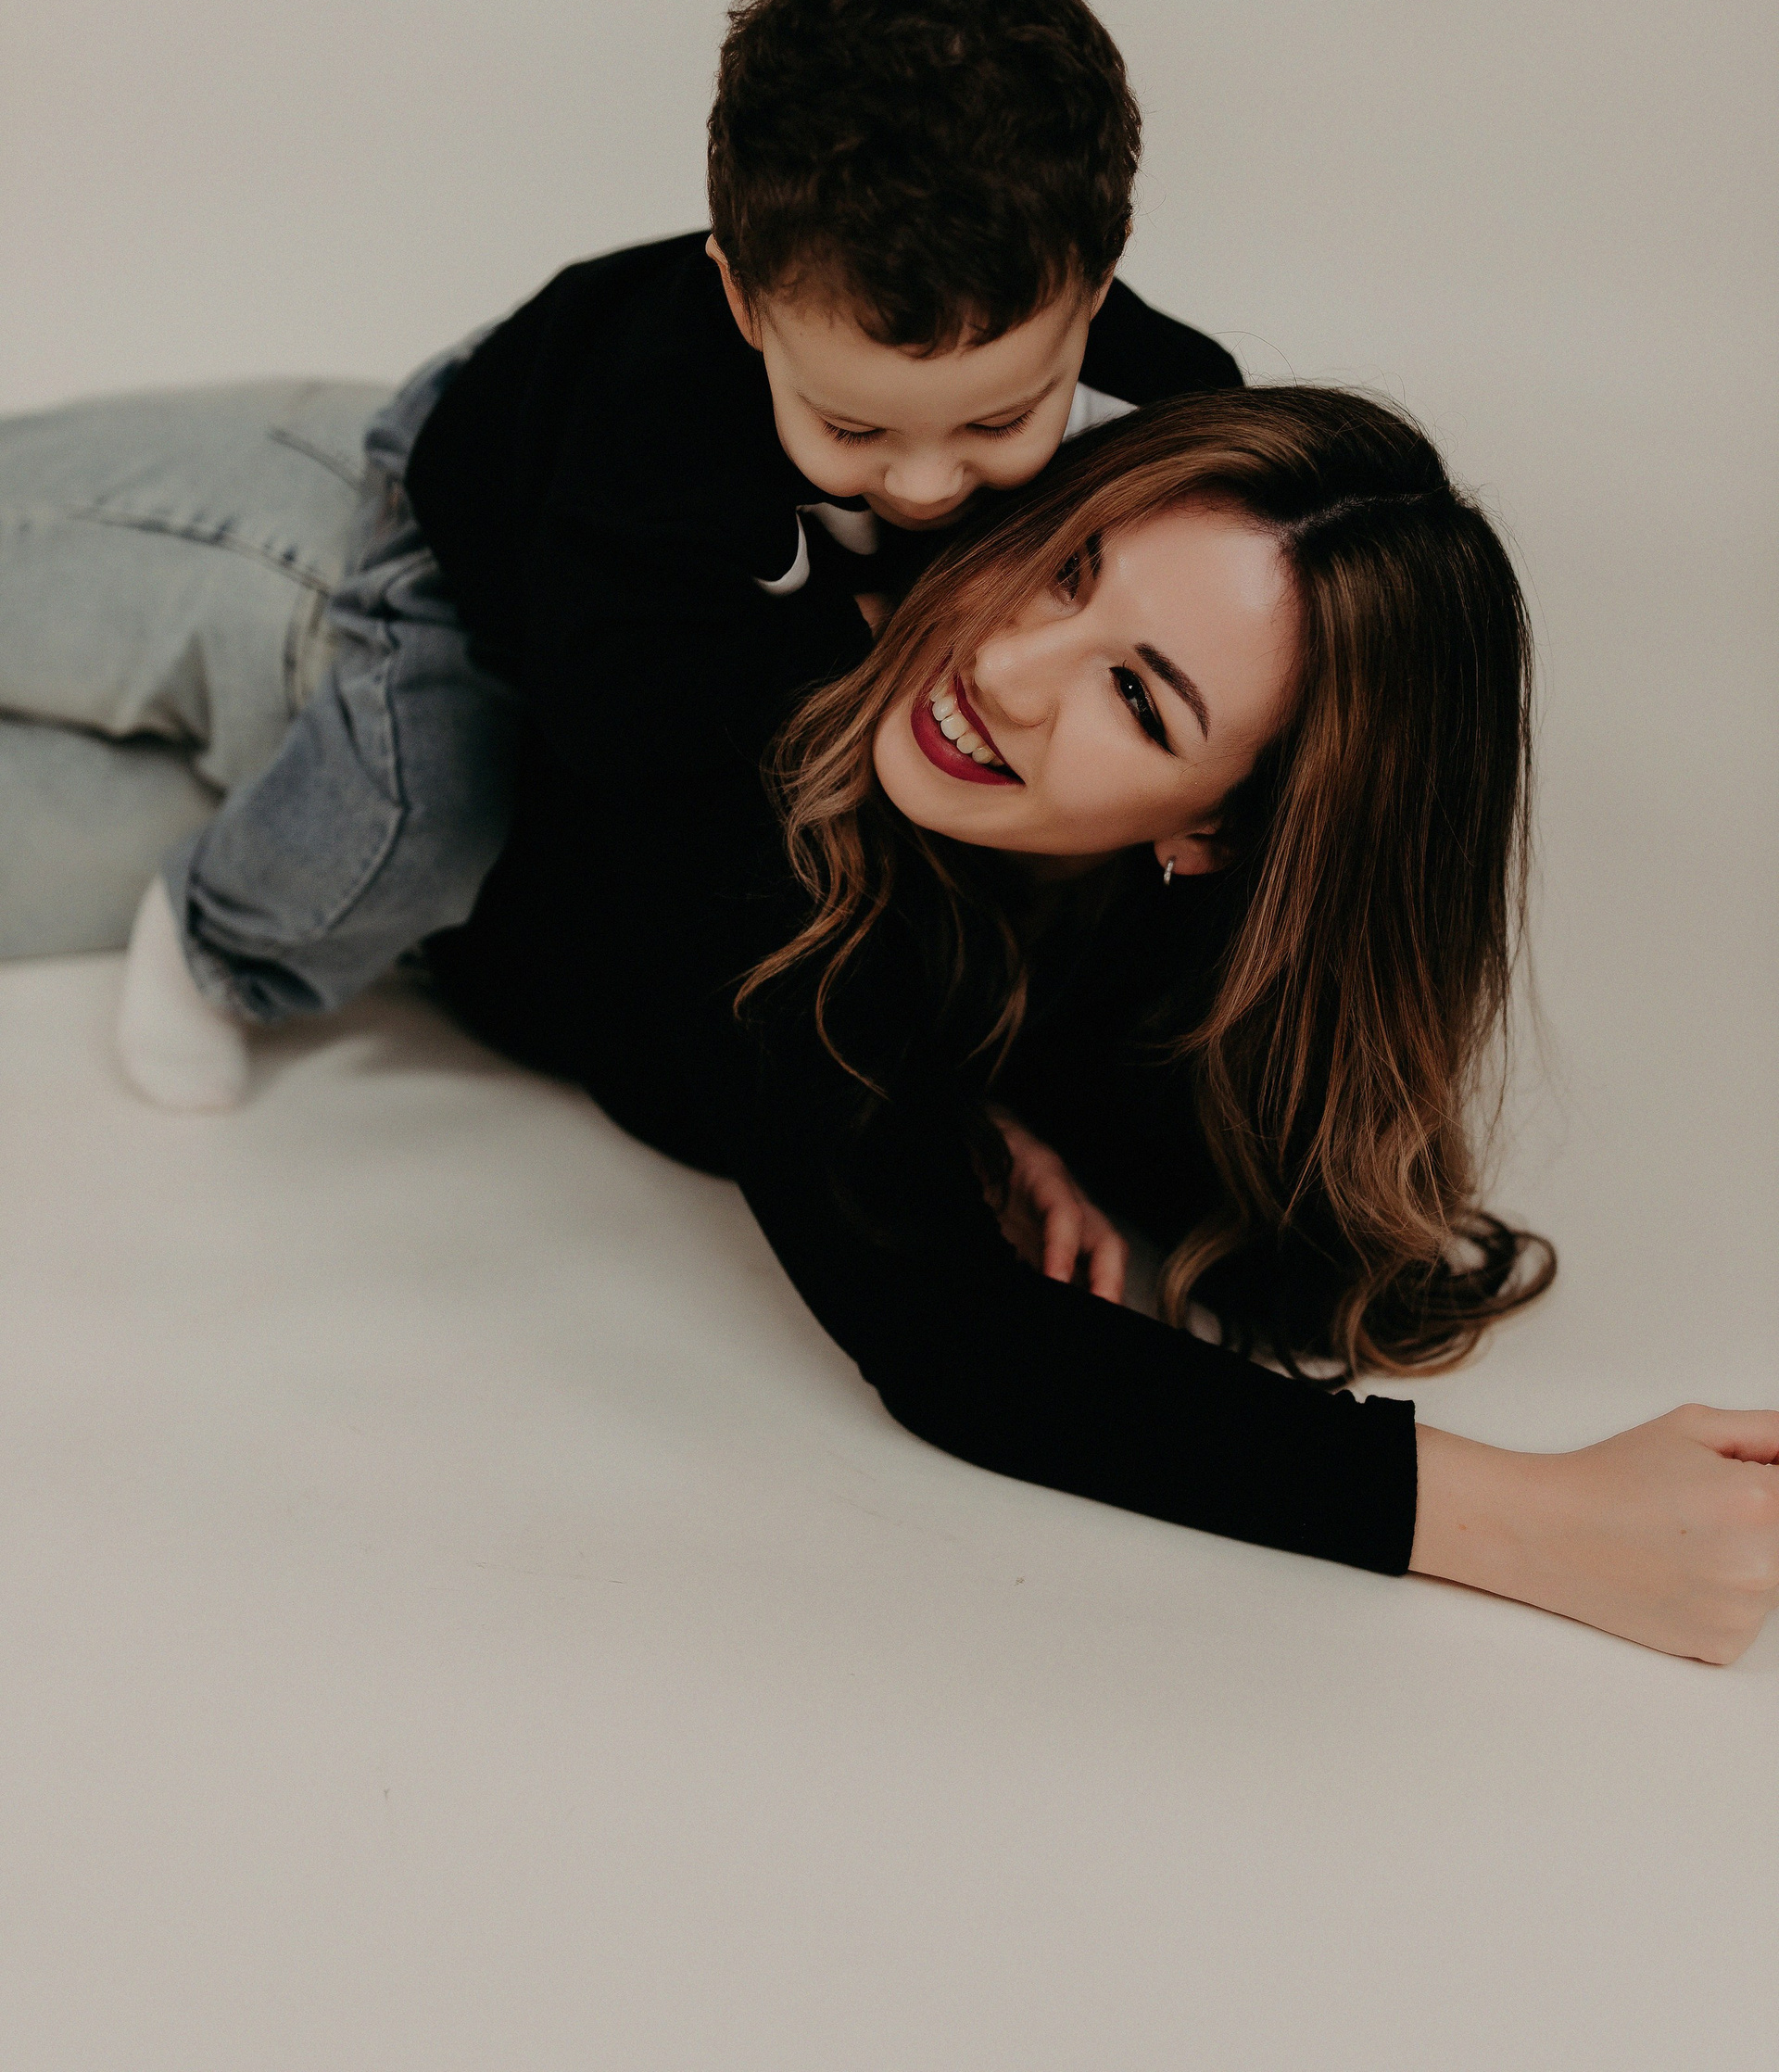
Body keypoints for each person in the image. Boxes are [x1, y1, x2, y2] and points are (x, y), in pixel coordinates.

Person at [3, 373, 1774, 1660]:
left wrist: (974, 1110)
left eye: (1140, 701)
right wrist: (1540, 1523)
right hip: (327, 594)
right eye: (1067, 568)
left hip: (348, 892)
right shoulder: (757, 770)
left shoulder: (1086, 932)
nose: (1001, 668)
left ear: (1218, 837)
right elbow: (955, 1344)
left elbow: (1049, 1213)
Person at [96, 0, 1242, 1109]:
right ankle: (211, 937)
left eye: (1001, 420)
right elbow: (606, 710)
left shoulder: (1176, 412)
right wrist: (841, 637)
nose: (926, 485)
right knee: (426, 807)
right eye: (853, 430)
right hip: (501, 491)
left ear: (1096, 288)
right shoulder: (654, 427)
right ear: (743, 302)